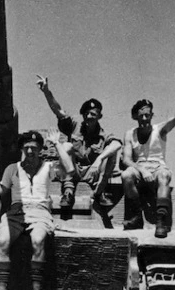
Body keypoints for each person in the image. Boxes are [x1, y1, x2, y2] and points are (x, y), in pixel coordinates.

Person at [0, 130, 74, 290]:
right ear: (21, 149)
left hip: (40, 212)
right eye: (27, 148)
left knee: (38, 240)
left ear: (41, 149)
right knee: (3, 241)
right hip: (16, 212)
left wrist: (57, 144)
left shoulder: (48, 167)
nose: (30, 151)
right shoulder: (12, 169)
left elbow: (70, 169)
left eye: (34, 148)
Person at [36, 75, 121, 210]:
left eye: (93, 114)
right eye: (86, 113)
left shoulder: (104, 135)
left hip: (92, 173)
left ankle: (100, 192)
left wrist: (99, 159)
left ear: (100, 116)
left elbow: (117, 145)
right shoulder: (75, 125)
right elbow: (58, 110)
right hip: (72, 171)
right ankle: (68, 192)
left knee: (111, 152)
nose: (89, 117)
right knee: (66, 146)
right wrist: (46, 91)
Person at [121, 90, 175, 238]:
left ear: (151, 115)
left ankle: (161, 220)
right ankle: (136, 216)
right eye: (141, 115)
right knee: (126, 175)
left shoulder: (160, 130)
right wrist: (142, 170)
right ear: (136, 116)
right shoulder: (130, 134)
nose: (144, 118)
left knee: (164, 176)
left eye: (147, 115)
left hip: (157, 168)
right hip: (140, 169)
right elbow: (126, 159)